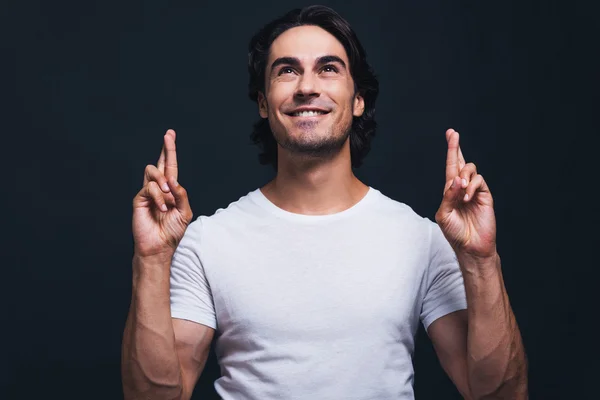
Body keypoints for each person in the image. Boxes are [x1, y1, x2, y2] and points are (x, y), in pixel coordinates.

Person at [121, 5, 528, 400]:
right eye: (287, 70)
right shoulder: (208, 241)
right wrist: (153, 259)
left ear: (358, 99)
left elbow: (499, 394)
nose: (307, 87)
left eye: (328, 68)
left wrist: (480, 260)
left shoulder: (420, 239)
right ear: (263, 102)